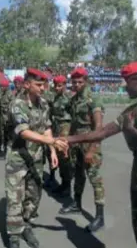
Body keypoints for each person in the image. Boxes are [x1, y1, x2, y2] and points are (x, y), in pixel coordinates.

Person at [60, 62, 137, 248]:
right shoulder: (131, 111)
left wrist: (132, 130)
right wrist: (68, 139)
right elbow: (101, 133)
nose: (124, 86)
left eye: (126, 82)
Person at [6, 68, 68, 248]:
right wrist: (53, 141)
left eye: (44, 85)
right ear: (27, 85)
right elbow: (24, 132)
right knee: (15, 199)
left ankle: (25, 225)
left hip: (37, 159)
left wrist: (52, 150)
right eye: (38, 85)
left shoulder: (43, 104)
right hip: (18, 159)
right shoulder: (17, 104)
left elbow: (46, 126)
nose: (43, 88)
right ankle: (14, 237)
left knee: (33, 197)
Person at [58, 67, 106, 233]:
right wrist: (68, 143)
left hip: (90, 143)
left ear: (85, 81)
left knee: (94, 178)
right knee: (78, 174)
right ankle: (76, 204)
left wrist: (92, 150)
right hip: (77, 143)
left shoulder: (93, 99)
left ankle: (100, 216)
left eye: (80, 82)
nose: (77, 84)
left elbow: (99, 127)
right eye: (74, 82)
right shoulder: (74, 99)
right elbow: (73, 123)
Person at [50, 75, 73, 197]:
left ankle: (67, 186)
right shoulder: (55, 98)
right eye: (55, 86)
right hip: (57, 127)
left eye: (59, 86)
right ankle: (63, 183)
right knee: (59, 155)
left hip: (66, 127)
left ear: (64, 85)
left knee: (65, 157)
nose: (57, 88)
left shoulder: (69, 98)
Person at [0, 77, 14, 160]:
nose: (1, 88)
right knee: (3, 135)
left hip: (8, 119)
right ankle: (4, 151)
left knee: (9, 136)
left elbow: (11, 107)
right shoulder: (3, 94)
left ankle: (9, 152)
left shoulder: (10, 94)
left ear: (6, 86)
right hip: (3, 118)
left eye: (2, 86)